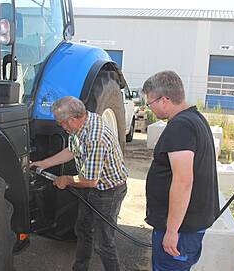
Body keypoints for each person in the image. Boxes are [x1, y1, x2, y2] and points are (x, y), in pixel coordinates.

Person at [31, 96, 128, 271]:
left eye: (61, 122)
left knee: (103, 242)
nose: (61, 126)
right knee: (83, 230)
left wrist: (66, 179)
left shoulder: (95, 137)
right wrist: (44, 163)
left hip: (108, 191)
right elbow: (72, 150)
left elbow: (89, 181)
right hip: (92, 188)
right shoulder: (82, 126)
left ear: (72, 119)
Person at [142, 71, 220, 271]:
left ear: (165, 99)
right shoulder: (195, 119)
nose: (149, 108)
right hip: (188, 224)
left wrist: (172, 230)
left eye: (150, 103)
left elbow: (183, 181)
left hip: (181, 229)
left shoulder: (181, 126)